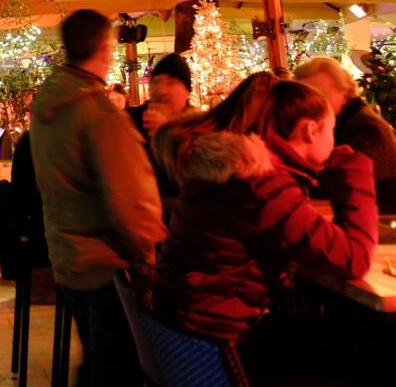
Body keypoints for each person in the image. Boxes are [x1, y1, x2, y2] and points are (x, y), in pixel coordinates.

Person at [154, 80, 377, 373]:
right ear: (311, 130)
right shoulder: (261, 183)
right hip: (225, 346)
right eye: (332, 130)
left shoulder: (235, 170)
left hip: (188, 335)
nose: (336, 140)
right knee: (368, 366)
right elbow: (354, 259)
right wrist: (355, 171)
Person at [30, 9, 165, 387]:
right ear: (106, 48)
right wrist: (147, 260)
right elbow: (130, 199)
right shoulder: (97, 112)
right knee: (115, 368)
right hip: (108, 261)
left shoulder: (49, 103)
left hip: (68, 251)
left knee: (97, 359)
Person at [295, 56, 396, 214]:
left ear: (345, 93)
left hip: (391, 229)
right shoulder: (344, 122)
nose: (313, 103)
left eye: (321, 95)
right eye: (307, 97)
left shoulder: (364, 127)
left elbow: (340, 183)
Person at [128, 52, 197, 200]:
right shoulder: (130, 121)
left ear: (187, 92)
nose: (161, 90)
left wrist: (166, 134)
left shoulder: (197, 128)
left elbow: (196, 180)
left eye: (171, 83)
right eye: (156, 82)